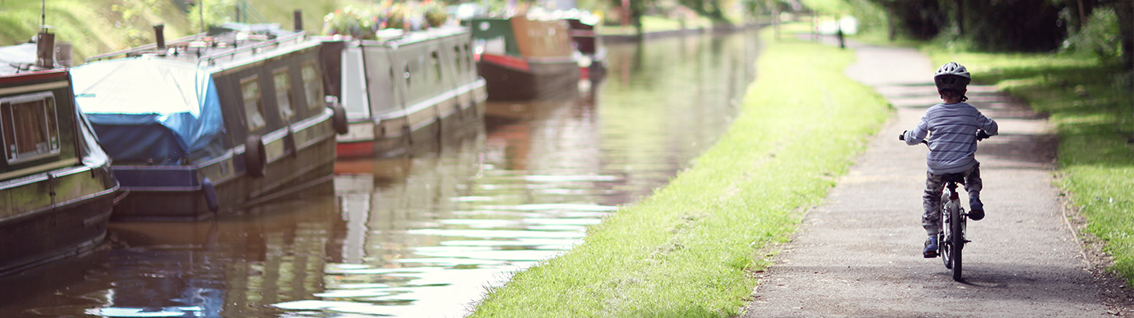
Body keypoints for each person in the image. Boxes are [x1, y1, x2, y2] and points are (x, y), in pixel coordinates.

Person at [901, 62, 998, 258]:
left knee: (931, 196)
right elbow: (992, 128)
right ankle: (974, 198)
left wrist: (905, 136)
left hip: (937, 168)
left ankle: (932, 239)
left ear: (939, 90)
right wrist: (983, 132)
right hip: (964, 165)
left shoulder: (931, 113)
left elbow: (915, 137)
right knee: (972, 172)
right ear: (964, 89)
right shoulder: (971, 112)